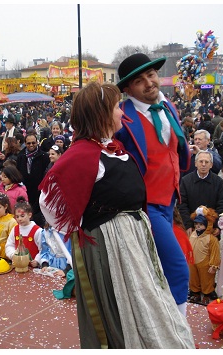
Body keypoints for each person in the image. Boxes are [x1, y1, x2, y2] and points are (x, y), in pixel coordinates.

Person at [39, 81, 195, 349]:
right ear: (101, 114)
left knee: (146, 300)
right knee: (122, 309)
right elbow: (49, 203)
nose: (122, 112)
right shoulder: (82, 155)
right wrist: (91, 224)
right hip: (110, 246)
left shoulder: (112, 149)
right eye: (115, 107)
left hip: (132, 241)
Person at [115, 53, 192, 313]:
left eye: (151, 75)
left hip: (169, 199)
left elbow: (176, 150)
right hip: (145, 205)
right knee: (177, 267)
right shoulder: (121, 118)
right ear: (127, 89)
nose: (149, 83)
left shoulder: (167, 105)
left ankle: (159, 319)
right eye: (139, 80)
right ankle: (179, 332)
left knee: (157, 266)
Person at [178, 150, 223, 237]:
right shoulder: (185, 181)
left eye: (207, 162)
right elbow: (182, 204)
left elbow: (222, 204)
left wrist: (217, 225)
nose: (203, 164)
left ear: (211, 165)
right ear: (195, 163)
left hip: (212, 228)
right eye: (201, 161)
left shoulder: (218, 182)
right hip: (192, 228)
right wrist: (188, 225)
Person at [187, 207, 221, 305]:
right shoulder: (192, 234)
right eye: (196, 224)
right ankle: (195, 292)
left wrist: (214, 265)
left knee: (207, 279)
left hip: (205, 263)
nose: (198, 226)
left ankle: (207, 293)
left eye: (201, 224)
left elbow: (215, 253)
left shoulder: (211, 239)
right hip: (192, 262)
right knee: (193, 278)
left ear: (207, 225)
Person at [16, 133, 50, 228]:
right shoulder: (21, 156)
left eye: (33, 143)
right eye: (28, 143)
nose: (31, 145)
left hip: (39, 190)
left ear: (37, 142)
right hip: (25, 190)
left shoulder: (44, 156)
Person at [5, 196, 42, 266]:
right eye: (17, 216)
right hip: (18, 265)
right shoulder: (15, 229)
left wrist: (37, 260)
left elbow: (43, 249)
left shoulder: (37, 231)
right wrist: (13, 255)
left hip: (33, 267)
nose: (19, 219)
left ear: (29, 215)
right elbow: (9, 245)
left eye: (22, 216)